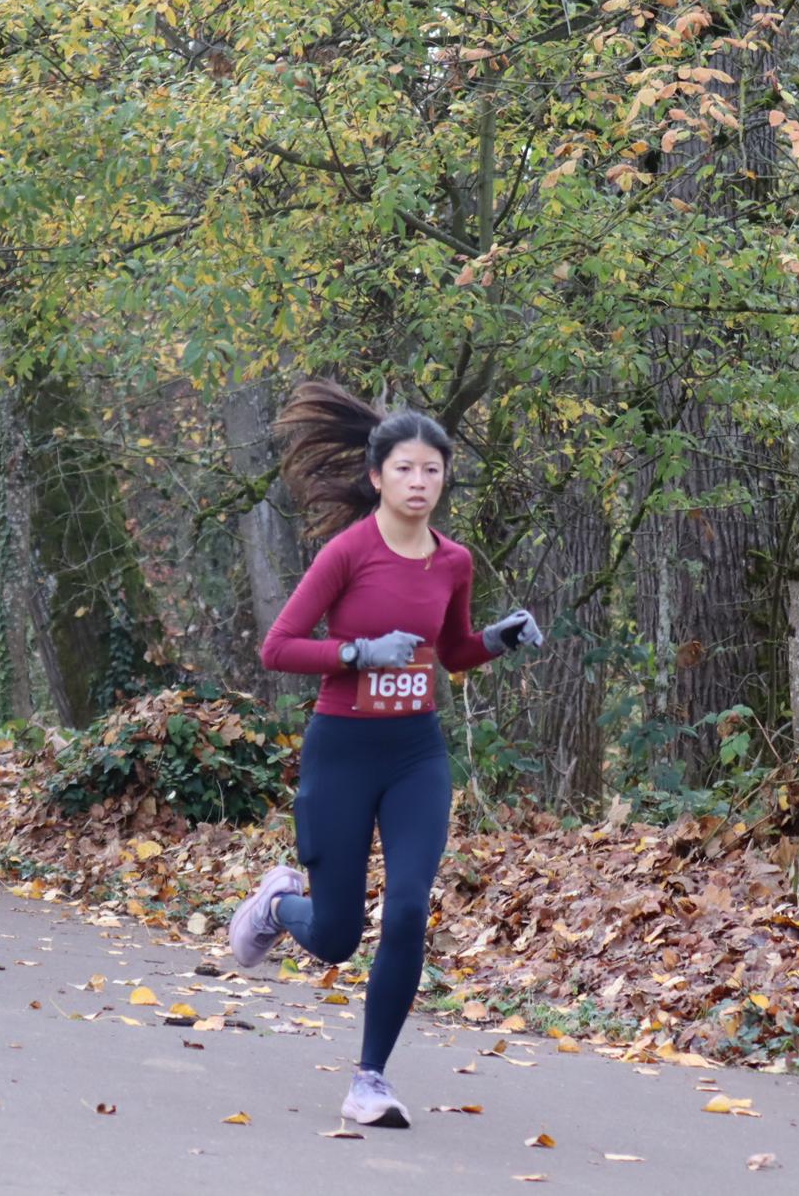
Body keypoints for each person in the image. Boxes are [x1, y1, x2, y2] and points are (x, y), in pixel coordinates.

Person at [225, 377, 543, 1129]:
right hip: (342, 751)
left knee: (406, 910)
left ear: (445, 478)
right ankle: (277, 903)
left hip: (414, 754)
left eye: (432, 469)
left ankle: (370, 1078)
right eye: (405, 469)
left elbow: (452, 651)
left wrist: (499, 638)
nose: (419, 481)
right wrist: (358, 653)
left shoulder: (453, 561)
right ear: (377, 477)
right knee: (336, 938)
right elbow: (278, 647)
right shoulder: (348, 553)